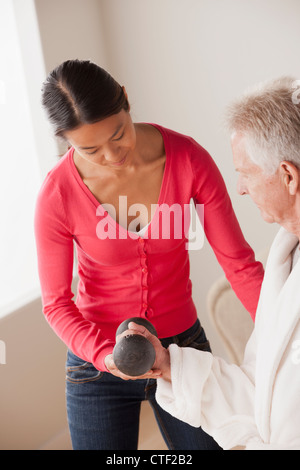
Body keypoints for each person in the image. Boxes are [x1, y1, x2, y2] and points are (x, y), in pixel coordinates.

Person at [34, 59, 264, 450]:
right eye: (90, 149)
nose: (111, 155)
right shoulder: (57, 194)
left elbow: (239, 265)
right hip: (98, 363)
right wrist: (104, 356)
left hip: (183, 352)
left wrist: (285, 335)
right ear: (66, 141)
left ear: (125, 100)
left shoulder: (188, 159)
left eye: (118, 135)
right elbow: (56, 304)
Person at [127, 76, 300, 450]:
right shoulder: (287, 259)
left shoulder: (185, 157)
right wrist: (171, 365)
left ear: (288, 176)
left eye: (246, 172)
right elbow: (262, 392)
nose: (239, 187)